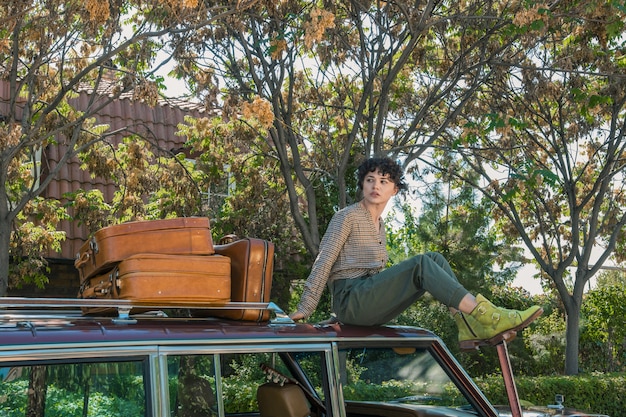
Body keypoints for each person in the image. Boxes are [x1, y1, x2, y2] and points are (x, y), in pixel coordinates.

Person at [289, 156, 543, 351]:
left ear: (394, 190)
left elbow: (378, 276)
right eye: (370, 180)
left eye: (383, 181)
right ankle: (487, 316)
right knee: (422, 264)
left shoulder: (380, 226)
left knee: (434, 260)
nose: (376, 186)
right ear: (362, 185)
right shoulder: (346, 217)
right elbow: (324, 260)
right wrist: (305, 307)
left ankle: (467, 325)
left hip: (367, 297)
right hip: (350, 300)